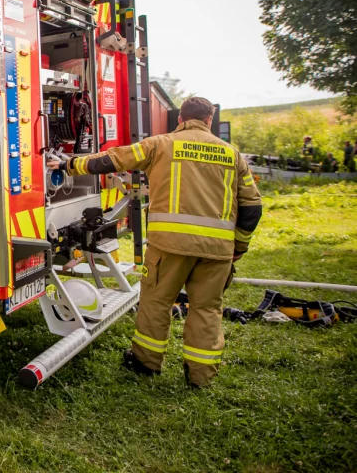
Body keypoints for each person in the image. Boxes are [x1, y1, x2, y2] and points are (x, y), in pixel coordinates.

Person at [48, 97, 263, 388]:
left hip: (169, 247)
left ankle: (146, 363)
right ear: (209, 120)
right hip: (217, 251)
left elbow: (112, 159)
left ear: (180, 119)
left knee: (156, 303)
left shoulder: (160, 144)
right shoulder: (232, 154)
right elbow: (252, 207)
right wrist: (239, 246)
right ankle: (200, 377)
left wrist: (71, 164)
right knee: (207, 309)